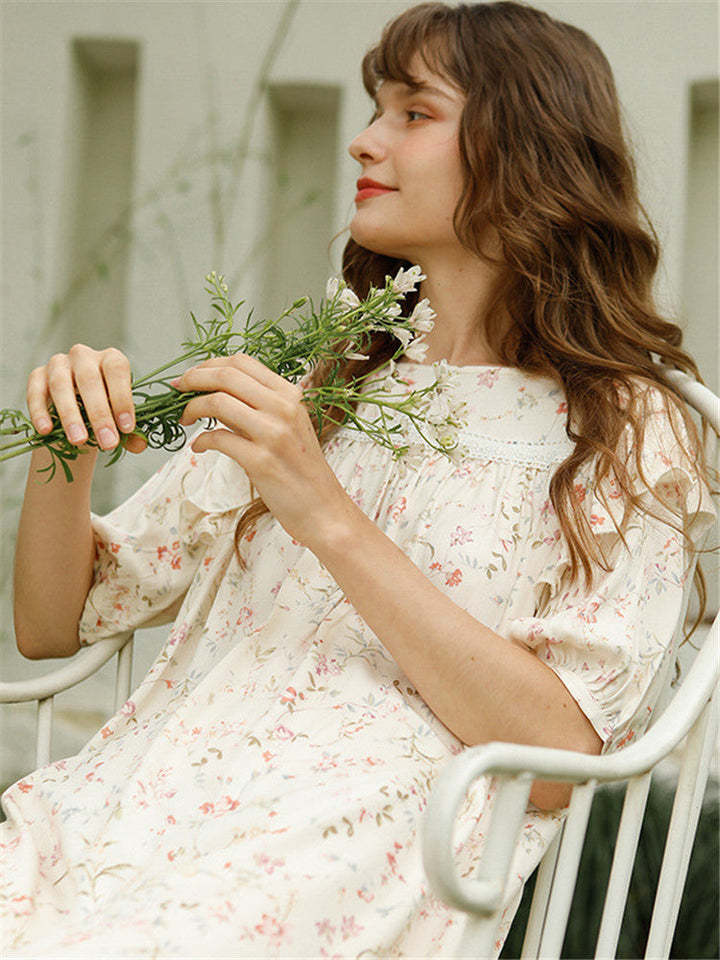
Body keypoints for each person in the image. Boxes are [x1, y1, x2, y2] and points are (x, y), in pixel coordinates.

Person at [1, 2, 715, 957]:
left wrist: (323, 511)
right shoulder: (324, 384)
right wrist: (67, 448)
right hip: (132, 809)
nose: (362, 139)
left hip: (346, 859)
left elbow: (558, 758)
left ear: (526, 150)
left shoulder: (625, 426)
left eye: (413, 113)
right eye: (377, 107)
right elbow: (54, 624)